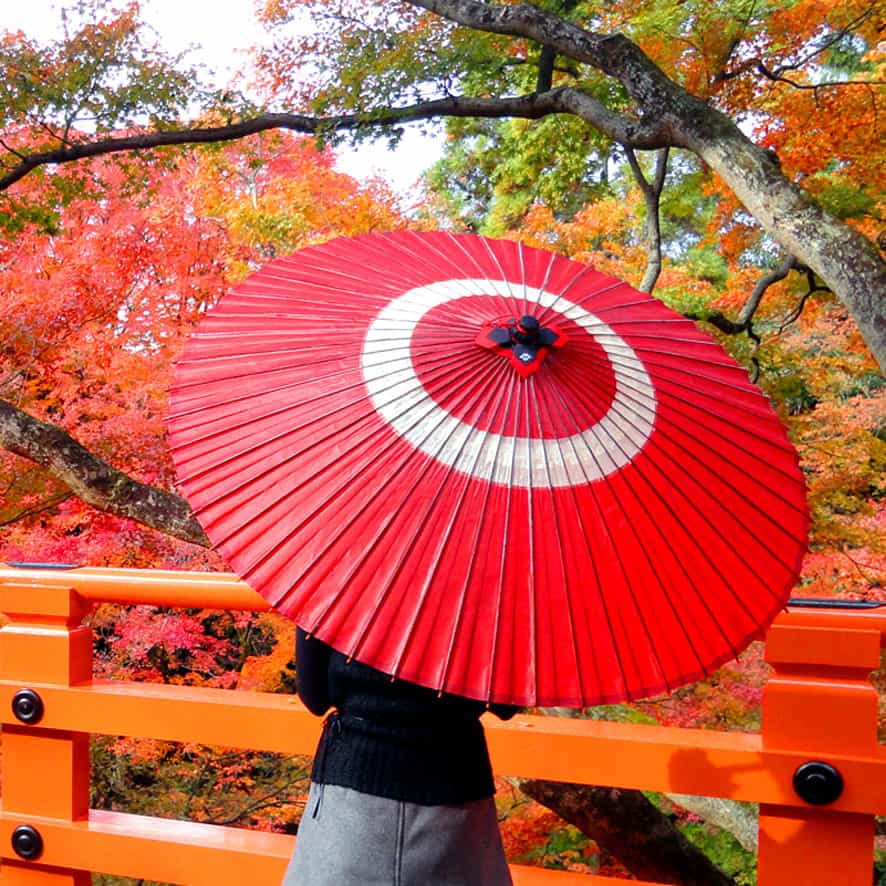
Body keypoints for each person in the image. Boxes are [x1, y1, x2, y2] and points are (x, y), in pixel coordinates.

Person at [283, 628, 520, 885]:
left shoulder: (333, 600)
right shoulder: (494, 605)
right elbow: (506, 704)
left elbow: (314, 696)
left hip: (352, 784)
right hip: (456, 787)